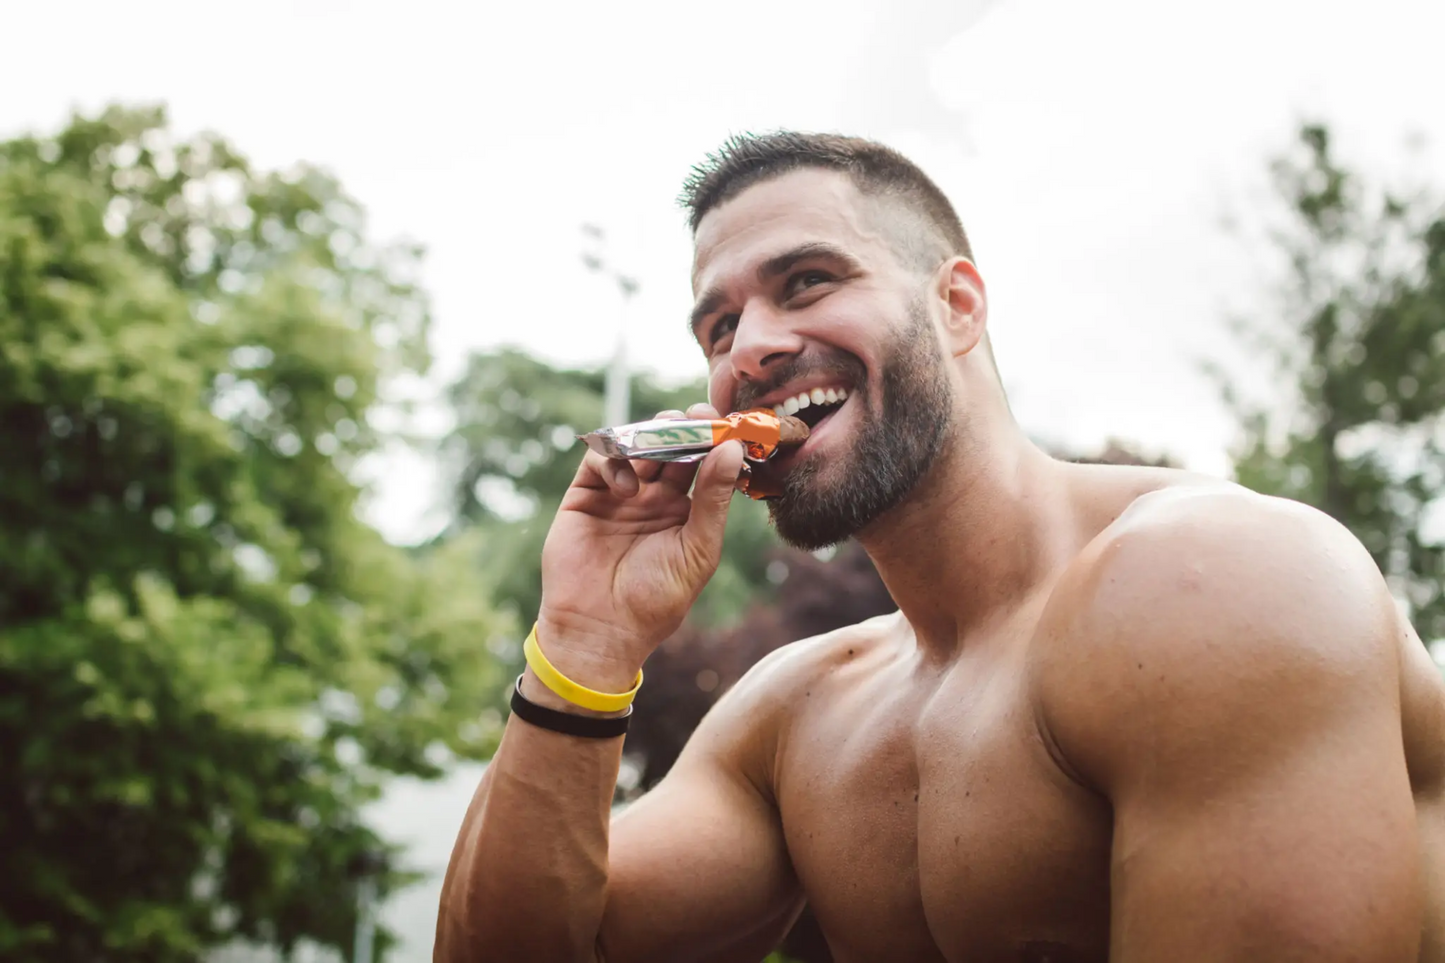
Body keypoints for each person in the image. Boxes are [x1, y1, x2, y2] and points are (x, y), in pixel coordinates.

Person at [435, 132, 1445, 963]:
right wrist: (582, 646)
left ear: (955, 306)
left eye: (806, 282)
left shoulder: (1217, 582)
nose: (747, 349)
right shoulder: (801, 713)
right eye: (717, 327)